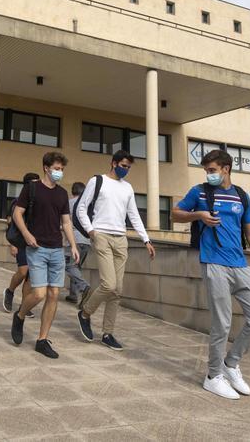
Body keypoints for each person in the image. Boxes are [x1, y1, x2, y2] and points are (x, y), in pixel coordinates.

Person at [171, 149, 250, 400]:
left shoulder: (241, 196)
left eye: (212, 170)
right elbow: (175, 213)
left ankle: (231, 363)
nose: (209, 174)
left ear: (226, 169)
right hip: (213, 263)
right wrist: (198, 215)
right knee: (222, 324)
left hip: (240, 265)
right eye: (206, 170)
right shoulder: (200, 192)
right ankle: (213, 376)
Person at [74, 150, 156, 350]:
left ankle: (107, 333)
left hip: (121, 239)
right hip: (101, 235)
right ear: (114, 163)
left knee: (117, 290)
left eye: (128, 167)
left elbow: (134, 215)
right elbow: (81, 208)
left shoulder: (127, 188)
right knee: (109, 284)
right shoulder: (97, 181)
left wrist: (146, 239)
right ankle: (85, 312)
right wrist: (91, 231)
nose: (125, 170)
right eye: (123, 165)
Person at [10, 152, 80, 359]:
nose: (59, 172)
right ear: (46, 168)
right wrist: (26, 233)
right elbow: (17, 213)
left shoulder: (61, 194)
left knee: (53, 295)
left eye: (62, 169)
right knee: (39, 294)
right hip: (36, 248)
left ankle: (42, 339)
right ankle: (20, 315)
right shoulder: (31, 188)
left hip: (57, 249)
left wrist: (73, 246)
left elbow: (66, 222)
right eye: (57, 168)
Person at [3, 173, 38, 318]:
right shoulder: (17, 202)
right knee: (23, 271)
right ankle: (10, 291)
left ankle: (25, 305)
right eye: (34, 184)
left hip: (35, 243)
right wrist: (12, 244)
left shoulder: (38, 202)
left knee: (30, 276)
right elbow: (10, 224)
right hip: (20, 242)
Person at [64, 181, 91, 303]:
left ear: (72, 191)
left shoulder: (69, 203)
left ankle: (85, 287)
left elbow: (64, 222)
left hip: (74, 241)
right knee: (76, 268)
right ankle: (74, 295)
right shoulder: (88, 204)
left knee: (69, 266)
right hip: (87, 242)